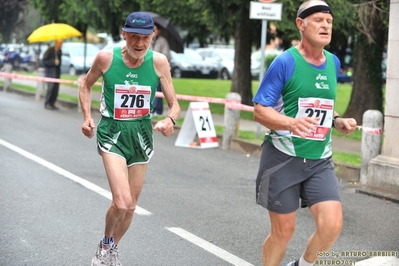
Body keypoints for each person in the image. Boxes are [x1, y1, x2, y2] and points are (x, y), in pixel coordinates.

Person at [252, 1, 358, 266]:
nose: (325, 25)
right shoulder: (286, 61)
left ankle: (303, 264)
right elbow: (260, 111)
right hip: (283, 159)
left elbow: (320, 106)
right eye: (319, 20)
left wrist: (336, 121)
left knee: (331, 225)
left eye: (329, 22)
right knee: (283, 231)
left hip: (319, 160)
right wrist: (290, 123)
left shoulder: (333, 62)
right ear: (301, 24)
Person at [79, 12, 180, 266]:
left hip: (142, 136)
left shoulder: (159, 62)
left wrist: (171, 120)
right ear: (123, 35)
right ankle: (104, 245)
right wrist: (87, 117)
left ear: (152, 36)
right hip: (112, 132)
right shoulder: (106, 58)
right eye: (133, 37)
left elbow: (174, 104)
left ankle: (113, 247)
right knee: (121, 202)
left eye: (145, 38)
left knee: (132, 207)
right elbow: (85, 84)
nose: (139, 43)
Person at [150, 22, 171, 116]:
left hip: (159, 69)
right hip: (149, 69)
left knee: (158, 89)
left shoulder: (163, 41)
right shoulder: (149, 40)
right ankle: (154, 109)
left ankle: (157, 110)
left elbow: (167, 55)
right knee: (152, 89)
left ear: (159, 30)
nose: (153, 32)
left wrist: (158, 58)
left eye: (155, 29)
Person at [42, 39, 63, 110]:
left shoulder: (59, 52)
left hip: (57, 73)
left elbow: (59, 63)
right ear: (56, 43)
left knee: (55, 89)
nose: (61, 45)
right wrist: (53, 62)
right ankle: (47, 103)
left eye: (61, 43)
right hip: (50, 73)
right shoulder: (50, 51)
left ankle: (52, 103)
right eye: (59, 43)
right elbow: (44, 61)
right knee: (50, 88)